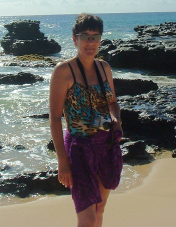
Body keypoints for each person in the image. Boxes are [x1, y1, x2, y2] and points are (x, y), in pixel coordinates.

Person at [49, 13, 123, 227]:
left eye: (95, 37)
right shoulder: (64, 71)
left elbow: (113, 103)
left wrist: (117, 122)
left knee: (99, 211)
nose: (90, 42)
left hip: (106, 146)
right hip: (79, 150)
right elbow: (55, 119)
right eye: (85, 36)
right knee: (88, 219)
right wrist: (62, 162)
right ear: (75, 39)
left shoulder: (104, 68)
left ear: (100, 40)